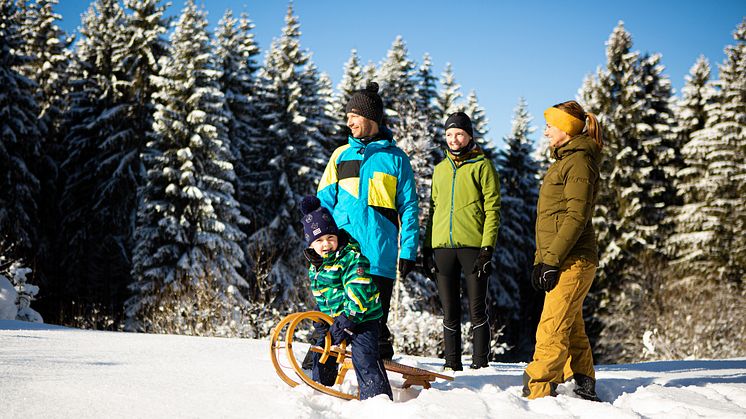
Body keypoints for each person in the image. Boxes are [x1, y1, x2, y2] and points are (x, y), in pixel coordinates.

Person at [317, 82, 419, 360]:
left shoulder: (397, 160)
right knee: (334, 320)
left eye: (354, 115)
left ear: (371, 118)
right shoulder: (340, 155)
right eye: (348, 115)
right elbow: (322, 204)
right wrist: (317, 243)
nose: (348, 121)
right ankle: (321, 369)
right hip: (343, 255)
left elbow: (409, 207)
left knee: (374, 324)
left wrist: (408, 250)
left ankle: (381, 381)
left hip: (379, 255)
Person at [522, 100, 603, 401]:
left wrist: (552, 260)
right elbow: (550, 218)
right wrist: (541, 261)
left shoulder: (579, 162)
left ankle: (539, 387)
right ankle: (582, 380)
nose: (545, 133)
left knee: (552, 325)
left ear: (566, 129)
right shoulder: (566, 160)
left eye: (549, 126)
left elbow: (576, 217)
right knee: (571, 323)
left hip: (574, 258)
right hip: (562, 257)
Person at [423, 112, 501, 371]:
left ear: (469, 136)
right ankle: (451, 364)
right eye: (449, 134)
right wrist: (426, 248)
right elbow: (433, 210)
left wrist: (487, 248)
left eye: (459, 134)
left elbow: (493, 209)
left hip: (473, 248)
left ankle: (480, 364)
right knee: (450, 311)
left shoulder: (482, 166)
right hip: (443, 249)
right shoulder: (440, 169)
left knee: (477, 310)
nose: (453, 139)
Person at [299, 195, 393, 400]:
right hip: (336, 319)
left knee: (364, 356)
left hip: (363, 318)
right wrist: (322, 322)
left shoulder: (351, 257)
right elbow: (323, 296)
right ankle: (322, 389)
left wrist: (349, 317)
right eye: (319, 240)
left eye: (330, 238)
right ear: (311, 244)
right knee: (322, 349)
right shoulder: (316, 266)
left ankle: (377, 398)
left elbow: (358, 289)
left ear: (337, 236)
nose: (326, 244)